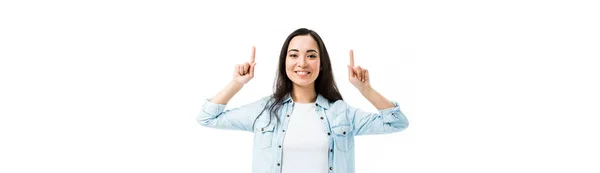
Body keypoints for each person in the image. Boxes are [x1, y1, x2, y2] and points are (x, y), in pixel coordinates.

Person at [197, 28, 409, 173]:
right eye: (294, 55)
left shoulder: (341, 113)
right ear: (284, 62)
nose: (302, 63)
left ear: (321, 63)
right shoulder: (264, 111)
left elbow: (396, 122)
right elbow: (207, 117)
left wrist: (365, 89)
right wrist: (237, 83)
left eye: (311, 55)